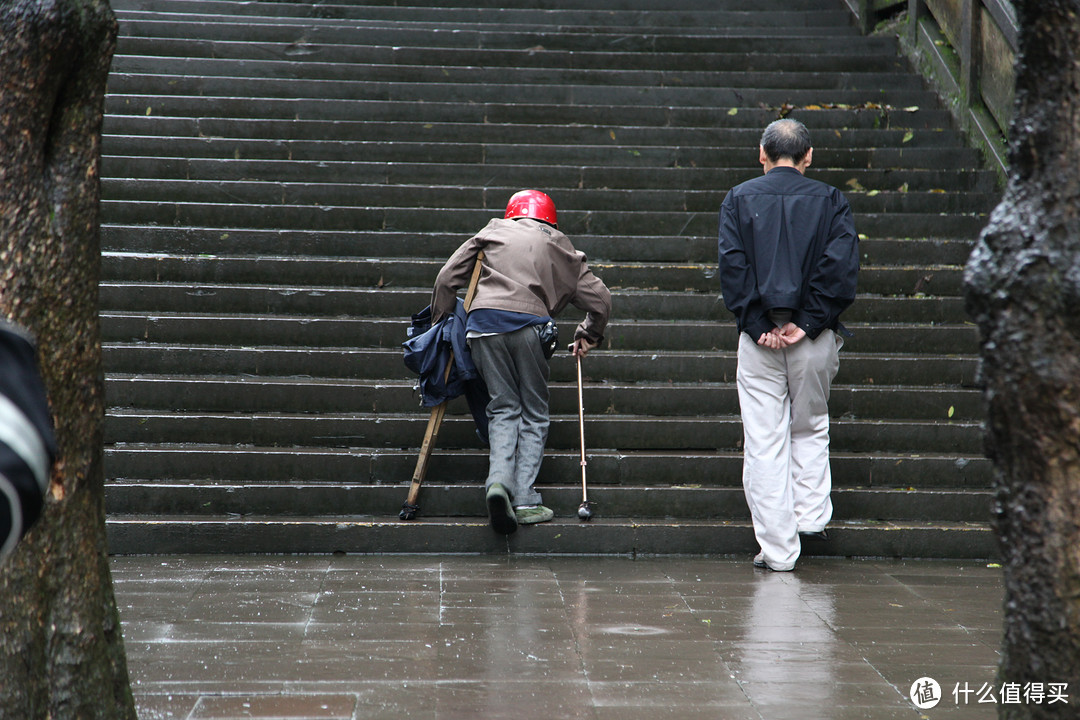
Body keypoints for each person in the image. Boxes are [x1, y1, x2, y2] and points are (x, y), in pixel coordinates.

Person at [717, 119, 859, 571]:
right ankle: (811, 515)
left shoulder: (738, 198)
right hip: (813, 338)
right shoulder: (832, 200)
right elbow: (840, 267)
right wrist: (808, 320)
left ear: (762, 153)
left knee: (763, 440)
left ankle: (779, 551)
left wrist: (758, 323)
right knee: (811, 423)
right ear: (808, 155)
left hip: (760, 338)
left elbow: (733, 266)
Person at [431, 190, 611, 535]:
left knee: (502, 408)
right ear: (549, 219)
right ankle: (525, 499)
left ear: (513, 214)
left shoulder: (493, 230)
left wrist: (442, 326)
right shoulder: (561, 246)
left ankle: (497, 484)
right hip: (529, 326)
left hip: (482, 326)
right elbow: (601, 300)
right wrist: (588, 334)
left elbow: (445, 279)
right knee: (533, 410)